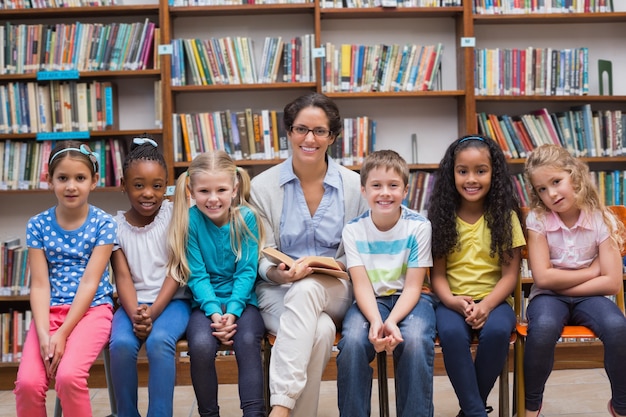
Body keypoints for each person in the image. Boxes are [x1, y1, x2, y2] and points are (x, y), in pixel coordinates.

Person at [250, 92, 368, 417]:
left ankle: (279, 409)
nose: (309, 139)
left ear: (332, 137)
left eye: (319, 131)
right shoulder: (262, 187)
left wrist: (324, 267)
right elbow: (261, 257)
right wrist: (279, 273)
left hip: (336, 289)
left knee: (307, 290)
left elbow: (358, 256)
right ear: (288, 131)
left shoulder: (355, 187)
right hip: (278, 290)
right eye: (301, 129)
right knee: (321, 331)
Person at [14, 141, 117, 417]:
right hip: (49, 313)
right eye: (63, 178)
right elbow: (39, 284)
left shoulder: (104, 224)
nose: (71, 186)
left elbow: (89, 283)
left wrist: (62, 333)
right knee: (27, 383)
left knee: (69, 377)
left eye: (80, 178)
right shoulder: (37, 224)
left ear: (94, 181)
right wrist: (46, 333)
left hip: (91, 311)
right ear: (50, 181)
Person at [522, 144, 626, 417]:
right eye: (542, 189)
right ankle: (531, 407)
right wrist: (592, 272)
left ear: (575, 176)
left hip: (591, 299)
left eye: (556, 182)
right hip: (547, 298)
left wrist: (564, 282)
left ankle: (621, 407)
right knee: (542, 327)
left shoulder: (603, 219)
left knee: (617, 326)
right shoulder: (538, 219)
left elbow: (612, 283)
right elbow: (542, 278)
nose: (551, 194)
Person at [428, 135, 525, 417]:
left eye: (481, 171)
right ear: (452, 174)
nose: (472, 179)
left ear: (494, 174)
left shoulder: (505, 217)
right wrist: (452, 300)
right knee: (450, 333)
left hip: (494, 301)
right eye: (463, 171)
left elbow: (510, 275)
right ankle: (476, 411)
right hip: (452, 302)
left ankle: (471, 411)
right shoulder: (442, 218)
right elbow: (438, 276)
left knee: (496, 332)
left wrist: (486, 305)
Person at [336, 150, 437, 417]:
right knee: (355, 342)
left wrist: (392, 321)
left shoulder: (419, 227)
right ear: (363, 190)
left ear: (405, 190)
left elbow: (414, 287)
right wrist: (376, 321)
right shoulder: (353, 230)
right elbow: (361, 285)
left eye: (393, 186)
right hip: (371, 301)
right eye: (376, 186)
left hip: (412, 299)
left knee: (414, 340)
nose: (385, 193)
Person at [167, 150, 266, 417]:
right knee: (199, 344)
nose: (213, 199)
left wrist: (232, 312)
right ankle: (209, 414)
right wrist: (214, 312)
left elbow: (247, 272)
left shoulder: (246, 218)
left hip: (243, 303)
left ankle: (254, 413)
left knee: (247, 340)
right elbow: (196, 275)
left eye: (221, 189)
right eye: (204, 191)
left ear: (234, 189)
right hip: (204, 305)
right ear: (191, 190)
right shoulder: (189, 220)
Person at [109, 137, 191, 417]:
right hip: (131, 305)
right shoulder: (114, 226)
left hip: (172, 303)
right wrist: (135, 314)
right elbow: (122, 276)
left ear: (166, 185)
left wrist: (153, 312)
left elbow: (176, 269)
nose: (148, 193)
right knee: (120, 344)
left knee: (159, 342)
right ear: (123, 185)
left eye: (157, 186)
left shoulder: (174, 215)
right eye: (138, 185)